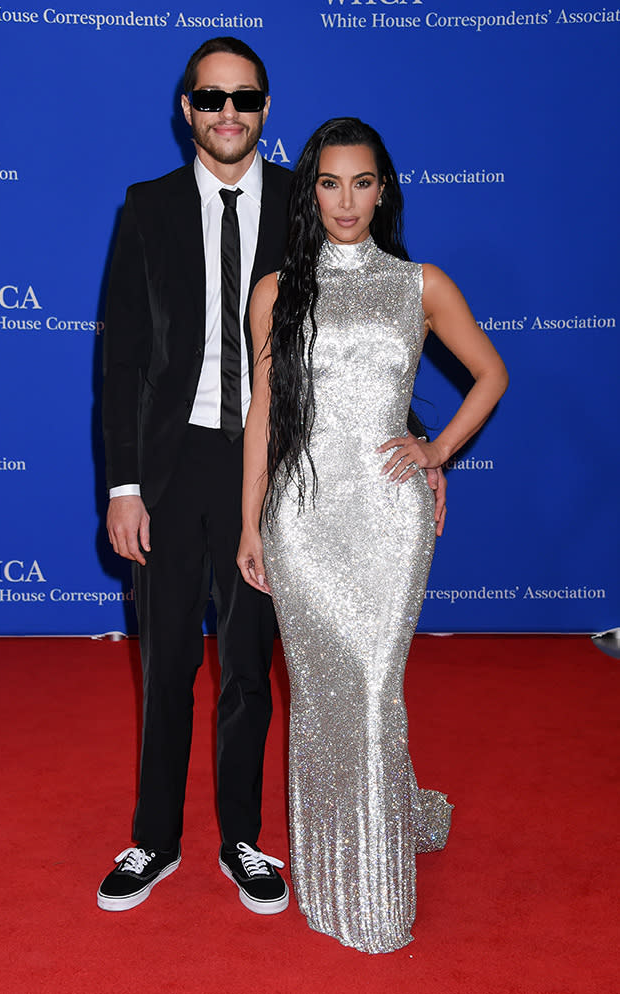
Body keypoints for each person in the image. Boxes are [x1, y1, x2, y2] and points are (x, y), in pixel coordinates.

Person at [99, 37, 445, 918]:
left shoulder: (307, 194)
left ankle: (243, 840)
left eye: (244, 98)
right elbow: (124, 360)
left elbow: (368, 328)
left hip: (275, 473)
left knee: (249, 665)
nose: (227, 113)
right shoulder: (145, 208)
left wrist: (417, 444)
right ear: (187, 109)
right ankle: (153, 839)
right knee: (168, 656)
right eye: (211, 97)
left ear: (263, 109)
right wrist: (123, 485)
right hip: (173, 464)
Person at [237, 118, 508, 952]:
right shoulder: (277, 292)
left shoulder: (419, 284)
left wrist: (437, 448)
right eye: (328, 182)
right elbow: (264, 417)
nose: (345, 200)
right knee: (322, 700)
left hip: (389, 519)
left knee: (372, 692)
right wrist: (250, 522)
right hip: (303, 516)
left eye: (361, 183)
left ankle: (377, 888)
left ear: (382, 189)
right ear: (307, 191)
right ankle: (335, 861)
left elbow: (491, 373)